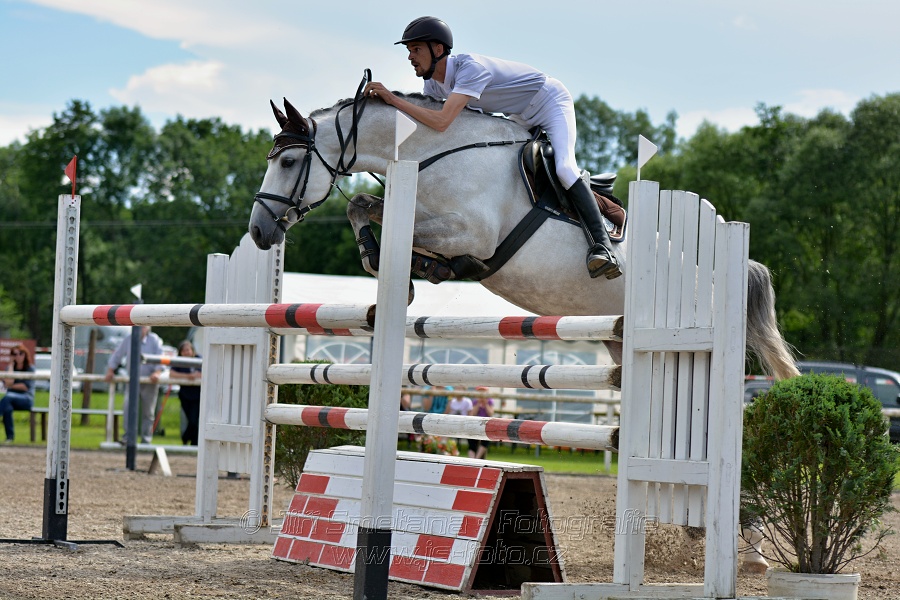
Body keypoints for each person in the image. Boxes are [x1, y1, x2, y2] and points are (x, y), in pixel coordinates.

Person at [364, 16, 621, 280]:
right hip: (518, 115)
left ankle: (602, 247)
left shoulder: (469, 69)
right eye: (409, 51)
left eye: (415, 49)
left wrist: (393, 98)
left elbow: (441, 122)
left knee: (565, 169)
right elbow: (433, 126)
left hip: (549, 102)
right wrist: (382, 108)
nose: (410, 57)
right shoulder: (432, 85)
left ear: (437, 49)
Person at [104, 326, 164, 444]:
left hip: (149, 381)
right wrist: (111, 370)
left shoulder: (155, 340)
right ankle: (128, 437)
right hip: (132, 380)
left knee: (148, 411)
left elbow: (161, 358)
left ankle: (146, 440)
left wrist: (157, 372)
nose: (139, 328)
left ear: (148, 327)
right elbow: (117, 355)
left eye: (142, 325)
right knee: (128, 409)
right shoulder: (128, 339)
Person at [1, 344, 36, 443]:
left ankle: (10, 437)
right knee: (7, 408)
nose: (18, 356)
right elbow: (9, 382)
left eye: (20, 353)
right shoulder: (10, 368)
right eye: (14, 354)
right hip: (10, 400)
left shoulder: (30, 368)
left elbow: (25, 387)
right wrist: (11, 364)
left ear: (25, 354)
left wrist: (10, 385)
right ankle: (10, 438)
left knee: (7, 397)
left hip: (26, 399)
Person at [171, 340, 202, 446]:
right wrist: (187, 377)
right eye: (183, 351)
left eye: (188, 350)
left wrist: (198, 375)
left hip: (198, 395)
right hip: (185, 395)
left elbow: (207, 371)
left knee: (194, 421)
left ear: (192, 351)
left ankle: (188, 439)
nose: (186, 352)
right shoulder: (179, 361)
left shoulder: (199, 359)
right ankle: (192, 441)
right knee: (191, 420)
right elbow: (172, 373)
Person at [468, 386, 495, 459]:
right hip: (476, 424)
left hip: (486, 424)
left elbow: (490, 413)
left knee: (485, 441)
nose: (482, 393)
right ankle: (472, 458)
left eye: (483, 391)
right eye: (480, 391)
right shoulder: (475, 402)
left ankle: (477, 458)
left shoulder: (490, 401)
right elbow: (473, 413)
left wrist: (486, 404)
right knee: (471, 440)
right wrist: (478, 403)